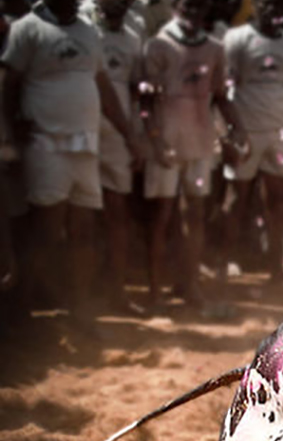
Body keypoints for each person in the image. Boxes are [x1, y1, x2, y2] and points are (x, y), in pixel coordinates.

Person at [1, 0, 140, 330]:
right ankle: (28, 311)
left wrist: (128, 135)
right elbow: (10, 83)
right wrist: (14, 124)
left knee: (84, 231)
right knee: (47, 230)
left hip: (85, 147)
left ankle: (79, 307)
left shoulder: (87, 29)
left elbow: (104, 87)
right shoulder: (27, 28)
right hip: (46, 145)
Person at [142, 0, 244, 308]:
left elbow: (220, 96)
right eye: (188, 6)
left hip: (200, 143)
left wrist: (237, 130)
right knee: (162, 215)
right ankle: (156, 291)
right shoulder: (158, 46)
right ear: (175, 7)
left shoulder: (214, 48)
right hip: (167, 143)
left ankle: (190, 286)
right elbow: (145, 102)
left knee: (195, 214)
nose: (193, 13)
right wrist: (156, 141)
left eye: (199, 8)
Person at [221, 0, 283, 280]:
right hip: (247, 129)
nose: (274, 11)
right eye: (267, 4)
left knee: (279, 200)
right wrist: (230, 131)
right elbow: (224, 90)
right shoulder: (237, 39)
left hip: (280, 130)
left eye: (279, 5)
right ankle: (227, 259)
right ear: (255, 6)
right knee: (237, 197)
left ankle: (276, 265)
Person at [91, 0, 142, 313]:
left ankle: (116, 293)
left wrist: (134, 135)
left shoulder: (133, 36)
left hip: (119, 134)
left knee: (116, 214)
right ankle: (77, 295)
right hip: (78, 127)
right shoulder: (85, 29)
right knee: (78, 218)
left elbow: (136, 91)